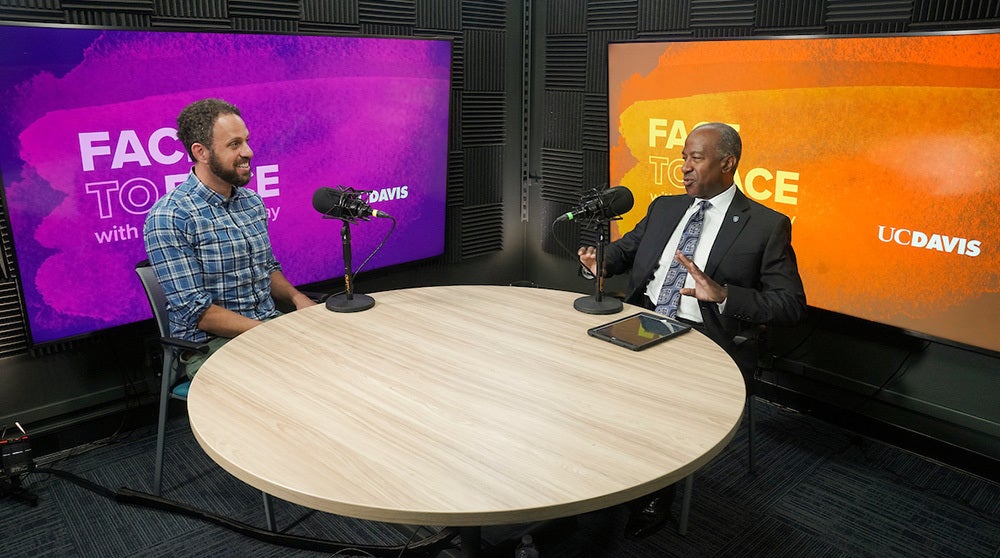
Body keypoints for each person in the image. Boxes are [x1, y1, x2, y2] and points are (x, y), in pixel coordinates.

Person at [578, 122, 806, 539]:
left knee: (654, 394)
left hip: (705, 336)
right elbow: (623, 254)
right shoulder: (665, 208)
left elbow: (790, 305)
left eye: (695, 158)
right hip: (644, 318)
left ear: (728, 163)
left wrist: (723, 295)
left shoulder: (766, 225)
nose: (684, 167)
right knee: (579, 370)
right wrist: (600, 263)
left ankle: (653, 491)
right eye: (683, 157)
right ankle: (590, 469)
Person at [144, 98, 316, 377]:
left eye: (246, 141)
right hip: (210, 346)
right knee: (295, 378)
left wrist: (297, 298)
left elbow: (266, 269)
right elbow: (198, 312)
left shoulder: (252, 203)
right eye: (234, 144)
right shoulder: (170, 216)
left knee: (336, 355)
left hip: (267, 327)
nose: (248, 151)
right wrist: (273, 332)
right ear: (201, 152)